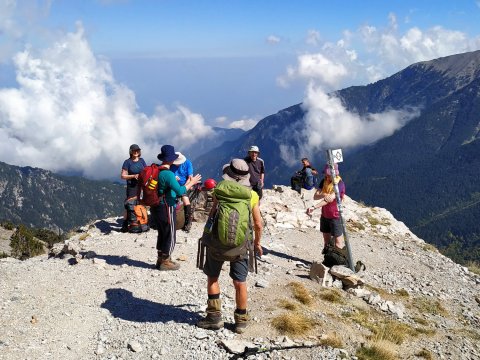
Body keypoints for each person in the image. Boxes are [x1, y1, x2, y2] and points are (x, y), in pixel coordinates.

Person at [197, 159, 263, 334]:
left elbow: (212, 216)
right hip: (241, 246)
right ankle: (240, 321)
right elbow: (258, 224)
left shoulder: (220, 189)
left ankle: (214, 317)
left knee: (213, 277)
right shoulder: (252, 196)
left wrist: (206, 236)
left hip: (217, 243)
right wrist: (257, 243)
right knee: (240, 282)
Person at [151, 145, 201, 271]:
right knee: (170, 233)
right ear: (172, 160)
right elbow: (179, 191)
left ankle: (160, 259)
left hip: (156, 206)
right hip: (167, 206)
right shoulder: (168, 174)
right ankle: (166, 261)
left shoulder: (157, 170)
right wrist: (192, 183)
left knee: (162, 233)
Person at [306, 163, 347, 266]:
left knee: (338, 242)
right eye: (326, 174)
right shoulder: (323, 181)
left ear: (334, 173)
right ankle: (328, 261)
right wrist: (324, 194)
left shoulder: (340, 184)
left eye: (328, 174)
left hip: (335, 216)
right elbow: (315, 196)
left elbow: (328, 200)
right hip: (324, 215)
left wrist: (314, 207)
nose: (326, 175)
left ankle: (339, 264)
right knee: (326, 241)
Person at [120, 144, 147, 231]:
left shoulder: (142, 161)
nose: (136, 152)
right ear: (131, 152)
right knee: (129, 204)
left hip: (141, 185)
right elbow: (123, 176)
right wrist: (133, 176)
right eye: (134, 150)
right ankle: (125, 224)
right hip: (132, 186)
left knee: (140, 204)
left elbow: (146, 171)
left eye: (138, 150)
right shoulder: (127, 162)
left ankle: (140, 221)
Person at [170, 152, 194, 232]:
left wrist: (184, 187)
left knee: (185, 200)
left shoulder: (187, 163)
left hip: (184, 185)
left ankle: (188, 221)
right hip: (173, 185)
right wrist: (173, 179)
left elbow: (190, 177)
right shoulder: (171, 164)